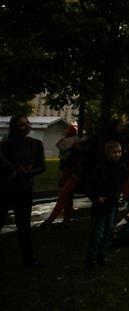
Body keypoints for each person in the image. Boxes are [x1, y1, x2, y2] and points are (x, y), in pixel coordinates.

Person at [0, 114, 46, 267]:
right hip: (6, 188)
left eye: (28, 123)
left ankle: (29, 259)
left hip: (24, 188)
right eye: (22, 125)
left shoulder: (36, 144)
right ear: (14, 127)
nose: (27, 126)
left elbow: (41, 166)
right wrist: (14, 169)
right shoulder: (5, 145)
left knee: (24, 224)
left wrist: (28, 172)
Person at [84, 141, 127, 268]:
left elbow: (122, 182)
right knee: (98, 232)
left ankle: (101, 255)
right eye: (114, 152)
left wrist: (120, 195)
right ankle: (91, 258)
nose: (117, 155)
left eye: (119, 152)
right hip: (101, 203)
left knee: (108, 230)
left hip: (112, 203)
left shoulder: (121, 167)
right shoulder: (99, 168)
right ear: (107, 153)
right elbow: (89, 185)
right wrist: (96, 197)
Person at [41, 125, 84, 227]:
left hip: (72, 172)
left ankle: (50, 221)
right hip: (68, 172)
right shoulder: (74, 141)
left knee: (63, 196)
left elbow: (61, 149)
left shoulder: (73, 142)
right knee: (67, 197)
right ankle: (66, 220)